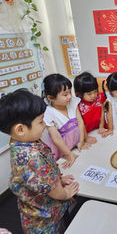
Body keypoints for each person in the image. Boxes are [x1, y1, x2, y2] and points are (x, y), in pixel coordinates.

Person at [0, 89, 79, 233]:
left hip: (39, 203)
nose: (44, 125)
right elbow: (54, 192)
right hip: (43, 220)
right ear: (20, 129)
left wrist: (57, 181)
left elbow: (39, 179)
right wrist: (65, 193)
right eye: (41, 121)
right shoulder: (32, 157)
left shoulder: (22, 142)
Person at [42, 73, 96, 167]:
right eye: (65, 94)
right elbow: (56, 138)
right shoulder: (48, 113)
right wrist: (68, 154)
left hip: (74, 144)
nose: (70, 96)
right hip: (61, 150)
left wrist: (82, 140)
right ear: (50, 98)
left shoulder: (72, 102)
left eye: (70, 92)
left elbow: (80, 122)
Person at [74, 71, 108, 138]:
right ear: (79, 93)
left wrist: (101, 126)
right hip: (87, 133)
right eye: (89, 94)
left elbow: (102, 110)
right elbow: (80, 123)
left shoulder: (99, 97)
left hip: (101, 129)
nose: (93, 96)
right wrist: (85, 137)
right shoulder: (77, 105)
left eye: (95, 91)